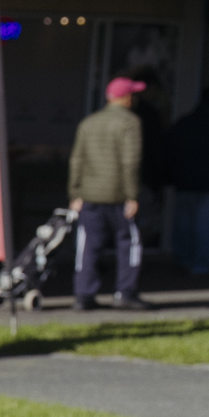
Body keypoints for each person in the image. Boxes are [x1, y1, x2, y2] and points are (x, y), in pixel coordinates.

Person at [69, 77, 148, 311]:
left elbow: (77, 160)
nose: (134, 98)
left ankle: (83, 295)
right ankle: (126, 292)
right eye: (132, 94)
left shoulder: (88, 122)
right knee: (128, 242)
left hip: (89, 195)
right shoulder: (130, 122)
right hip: (117, 195)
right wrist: (132, 195)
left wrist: (75, 192)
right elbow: (130, 161)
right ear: (125, 97)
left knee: (88, 245)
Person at [168, 85, 209, 279]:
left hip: (186, 181)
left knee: (185, 224)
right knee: (207, 228)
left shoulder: (186, 122)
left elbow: (171, 147)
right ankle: (200, 266)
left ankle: (183, 261)